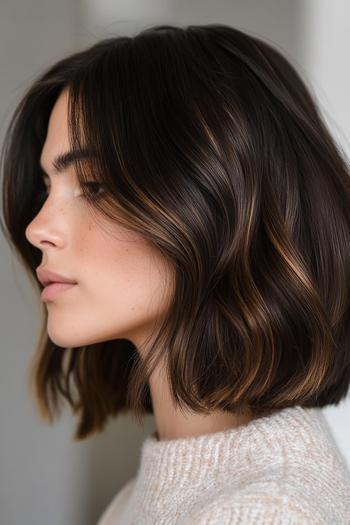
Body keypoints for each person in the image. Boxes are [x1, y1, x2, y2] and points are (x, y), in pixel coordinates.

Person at [1, 23, 350, 524]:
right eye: (46, 186)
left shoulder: (263, 514)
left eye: (95, 185)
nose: (37, 229)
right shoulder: (156, 494)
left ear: (221, 203)